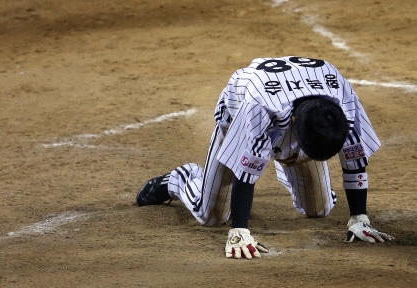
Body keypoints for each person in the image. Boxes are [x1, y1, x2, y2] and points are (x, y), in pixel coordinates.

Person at [136, 56, 394, 259]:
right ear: (295, 124)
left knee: (320, 209)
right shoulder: (258, 110)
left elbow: (355, 159)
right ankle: (180, 179)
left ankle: (308, 180)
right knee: (212, 216)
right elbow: (245, 174)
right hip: (238, 116)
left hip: (300, 118)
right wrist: (239, 230)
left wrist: (359, 217)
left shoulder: (342, 104)